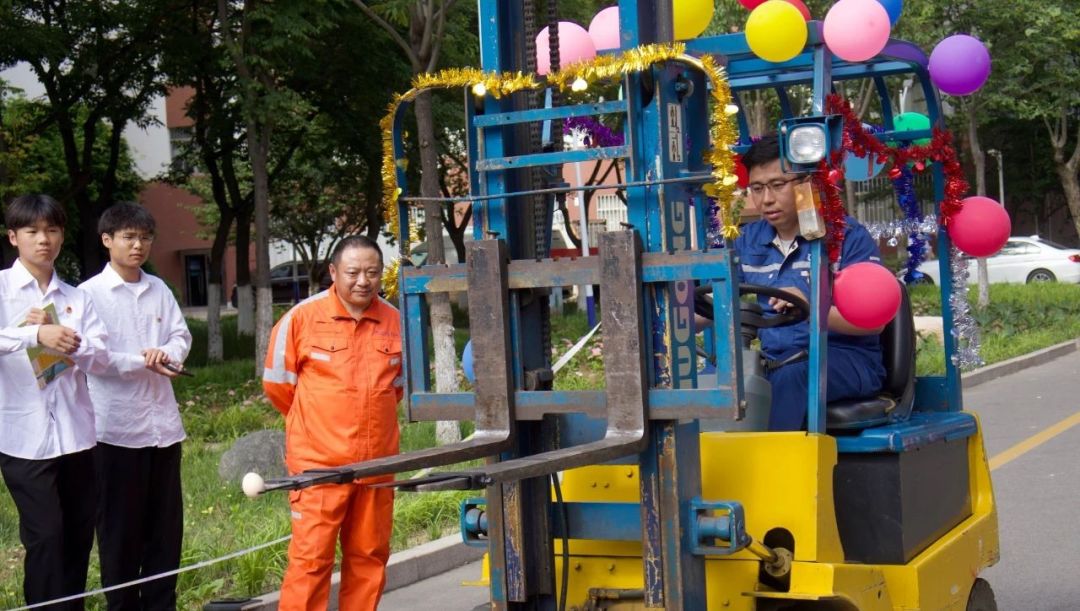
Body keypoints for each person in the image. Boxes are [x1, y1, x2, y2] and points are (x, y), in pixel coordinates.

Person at [263, 235, 402, 611]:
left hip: (377, 466)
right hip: (318, 468)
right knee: (311, 562)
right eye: (353, 272)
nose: (363, 281)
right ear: (333, 272)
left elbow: (397, 388)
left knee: (370, 558)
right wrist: (317, 427)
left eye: (372, 272)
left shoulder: (395, 321)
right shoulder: (301, 319)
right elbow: (278, 386)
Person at [79, 202, 191, 610]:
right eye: (128, 237)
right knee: (119, 533)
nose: (138, 245)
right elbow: (90, 357)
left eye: (145, 238)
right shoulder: (88, 295)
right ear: (107, 240)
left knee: (165, 531)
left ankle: (162, 604)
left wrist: (168, 354)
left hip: (163, 429)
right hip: (115, 431)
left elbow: (180, 336)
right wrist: (141, 361)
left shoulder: (158, 288)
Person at [0, 194, 109, 609]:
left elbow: (101, 354)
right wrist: (34, 334)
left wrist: (68, 339)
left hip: (76, 434)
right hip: (24, 438)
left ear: (62, 236)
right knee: (45, 535)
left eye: (52, 230)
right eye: (32, 231)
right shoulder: (3, 290)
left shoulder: (77, 298)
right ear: (14, 237)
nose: (43, 239)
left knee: (78, 536)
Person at [735, 134, 886, 431]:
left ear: (805, 183)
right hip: (774, 358)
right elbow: (715, 301)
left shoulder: (845, 237)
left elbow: (874, 323)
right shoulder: (747, 241)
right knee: (721, 376)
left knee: (791, 378)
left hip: (846, 358)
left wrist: (811, 306)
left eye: (778, 185)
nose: (766, 199)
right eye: (757, 188)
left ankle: (776, 462)